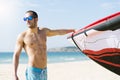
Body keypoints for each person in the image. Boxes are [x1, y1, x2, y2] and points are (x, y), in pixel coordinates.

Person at [13, 10, 75, 80]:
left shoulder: (43, 31)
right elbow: (16, 55)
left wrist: (72, 30)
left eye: (29, 18)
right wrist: (15, 74)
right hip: (33, 71)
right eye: (25, 19)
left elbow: (58, 32)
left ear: (36, 19)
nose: (27, 21)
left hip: (44, 70)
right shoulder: (23, 36)